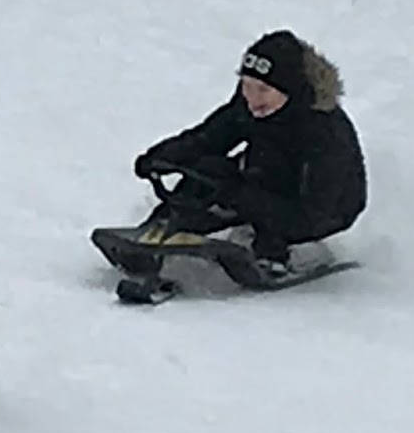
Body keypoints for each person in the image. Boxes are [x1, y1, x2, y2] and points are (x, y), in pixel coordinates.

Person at [132, 30, 367, 275]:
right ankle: (162, 229)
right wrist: (161, 158)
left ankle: (272, 251)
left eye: (264, 89)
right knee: (209, 170)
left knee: (254, 183)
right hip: (264, 177)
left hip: (326, 208)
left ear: (290, 90)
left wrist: (238, 196)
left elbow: (312, 213)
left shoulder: (325, 131)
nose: (253, 99)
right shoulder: (250, 104)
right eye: (246, 85)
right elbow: (209, 138)